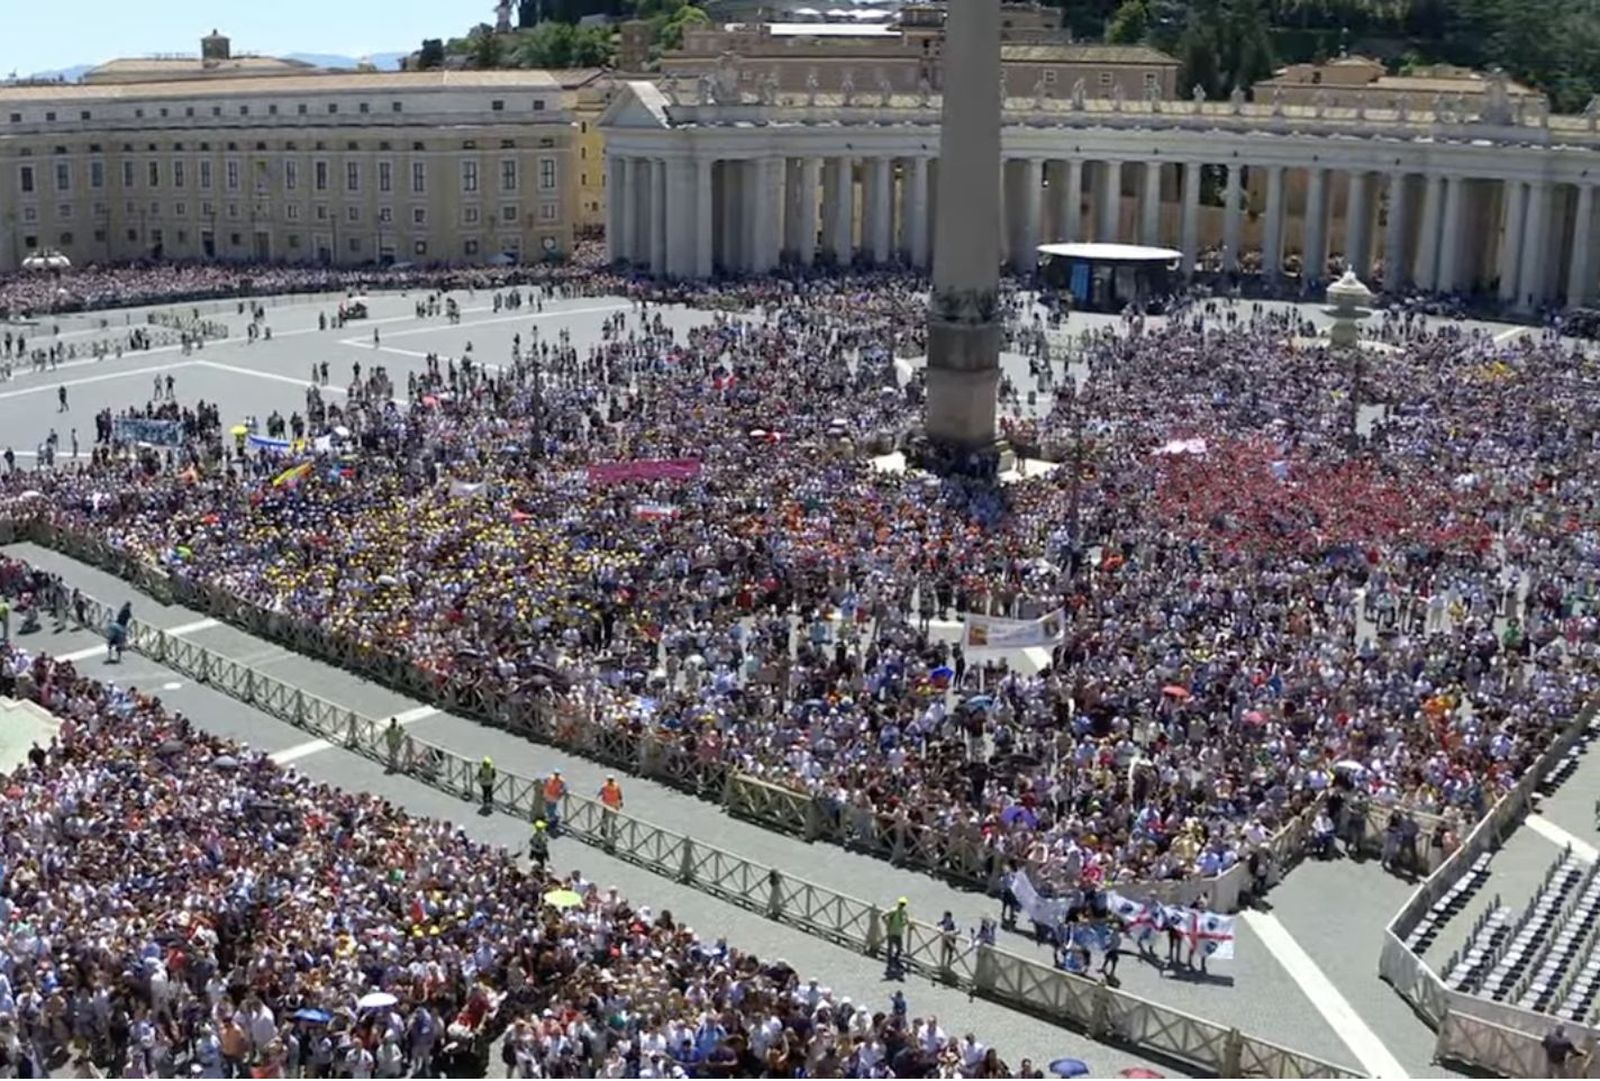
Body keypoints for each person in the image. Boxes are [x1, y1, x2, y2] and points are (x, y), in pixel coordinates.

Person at [884, 897, 910, 976]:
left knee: (899, 948)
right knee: (891, 947)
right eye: (902, 904)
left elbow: (906, 920)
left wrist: (904, 924)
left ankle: (894, 959)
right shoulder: (893, 911)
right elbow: (883, 915)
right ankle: (890, 961)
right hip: (892, 932)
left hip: (898, 932)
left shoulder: (904, 912)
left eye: (903, 904)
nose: (902, 906)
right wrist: (888, 924)